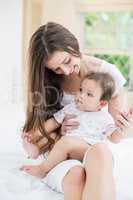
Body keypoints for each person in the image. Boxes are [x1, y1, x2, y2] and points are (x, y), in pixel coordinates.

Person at [21, 22, 133, 200]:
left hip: (96, 148)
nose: (65, 71)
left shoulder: (108, 75)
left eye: (66, 61)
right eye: (56, 69)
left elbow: (114, 136)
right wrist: (59, 130)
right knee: (76, 174)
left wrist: (125, 126)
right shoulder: (48, 81)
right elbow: (37, 135)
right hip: (62, 152)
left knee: (100, 152)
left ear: (75, 45)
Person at [20, 72, 125, 179]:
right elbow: (54, 122)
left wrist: (121, 130)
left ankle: (42, 169)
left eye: (89, 94)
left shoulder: (104, 118)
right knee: (52, 136)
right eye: (80, 90)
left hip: (88, 151)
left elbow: (114, 138)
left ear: (101, 103)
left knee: (66, 142)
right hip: (68, 146)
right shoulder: (72, 108)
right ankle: (36, 149)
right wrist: (35, 134)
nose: (81, 95)